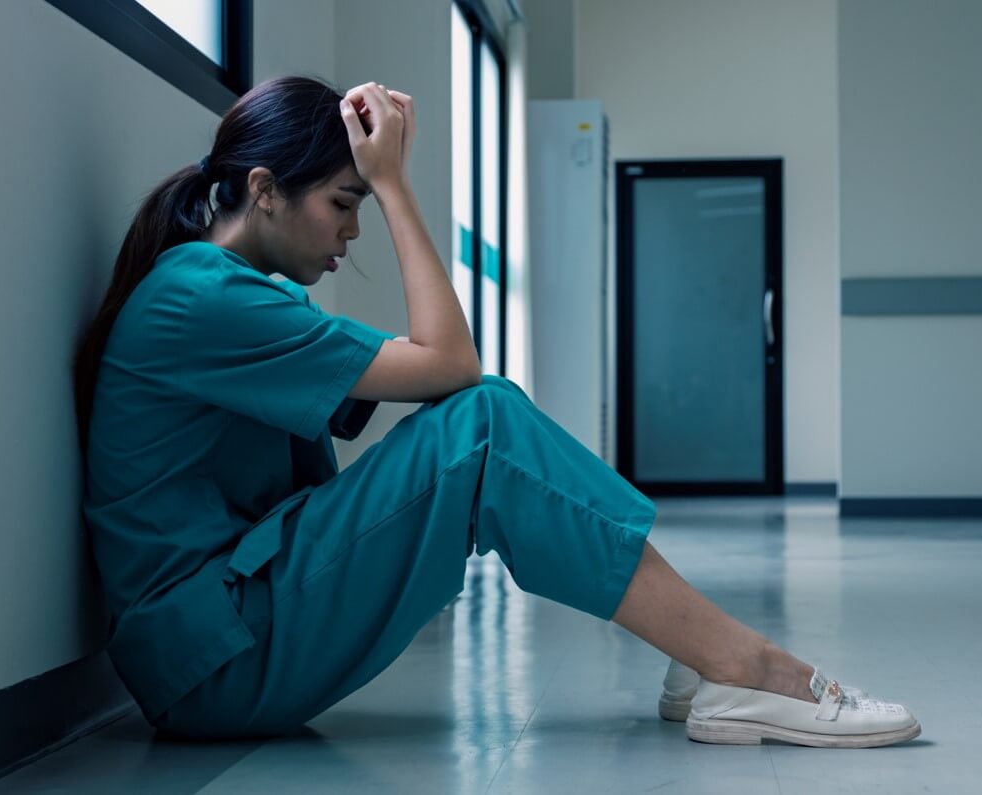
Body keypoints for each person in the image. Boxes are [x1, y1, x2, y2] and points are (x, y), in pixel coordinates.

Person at [72, 75, 921, 748]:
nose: (352, 231)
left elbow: (440, 373)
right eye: (343, 201)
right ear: (264, 190)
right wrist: (396, 185)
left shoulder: (229, 296)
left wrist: (380, 183)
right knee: (483, 423)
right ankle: (742, 665)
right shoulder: (203, 298)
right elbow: (451, 365)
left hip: (228, 631)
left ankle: (702, 655)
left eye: (360, 205)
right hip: (215, 663)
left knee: (483, 415)